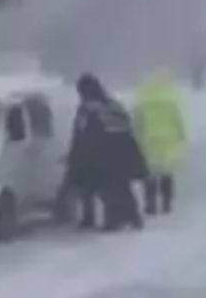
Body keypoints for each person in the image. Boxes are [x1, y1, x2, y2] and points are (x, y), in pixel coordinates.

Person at [68, 73, 147, 231]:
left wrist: (77, 154)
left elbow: (83, 133)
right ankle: (132, 217)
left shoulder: (88, 109)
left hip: (100, 154)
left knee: (102, 188)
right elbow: (127, 127)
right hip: (122, 152)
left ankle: (111, 220)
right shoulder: (112, 105)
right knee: (120, 187)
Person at [132, 68, 187, 215]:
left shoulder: (142, 99)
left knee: (150, 174)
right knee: (166, 173)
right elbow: (177, 120)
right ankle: (166, 202)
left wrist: (136, 137)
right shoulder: (170, 99)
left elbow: (137, 121)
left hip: (149, 140)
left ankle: (150, 203)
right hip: (168, 140)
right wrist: (181, 136)